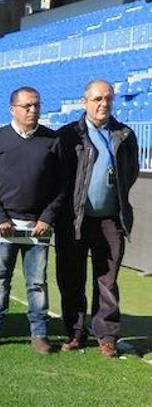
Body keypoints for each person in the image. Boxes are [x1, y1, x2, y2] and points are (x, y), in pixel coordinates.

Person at [55, 80, 140, 358]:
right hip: (75, 219)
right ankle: (75, 331)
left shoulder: (124, 135)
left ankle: (106, 335)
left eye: (108, 99)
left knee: (107, 280)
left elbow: (131, 171)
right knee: (72, 277)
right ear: (84, 102)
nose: (103, 104)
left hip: (110, 220)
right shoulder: (68, 136)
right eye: (97, 99)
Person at [0, 87, 64, 354]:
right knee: (0, 277)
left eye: (36, 105)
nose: (32, 110)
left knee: (37, 280)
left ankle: (39, 333)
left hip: (38, 226)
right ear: (12, 109)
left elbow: (62, 185)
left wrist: (47, 218)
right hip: (6, 224)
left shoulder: (52, 140)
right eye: (26, 106)